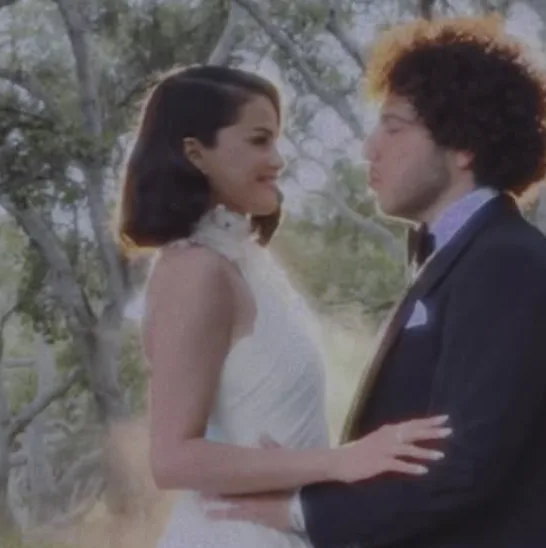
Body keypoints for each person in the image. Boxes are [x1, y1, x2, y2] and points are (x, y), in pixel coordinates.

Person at [208, 16, 546, 548]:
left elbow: (466, 467)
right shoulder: (462, 256)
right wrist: (309, 473)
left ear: (464, 145)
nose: (370, 148)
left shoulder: (507, 261)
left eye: (394, 127)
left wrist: (299, 512)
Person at [115, 65, 449, 548]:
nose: (278, 159)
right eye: (259, 141)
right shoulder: (194, 271)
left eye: (276, 140)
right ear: (195, 153)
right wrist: (339, 461)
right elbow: (172, 459)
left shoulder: (242, 263)